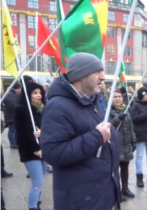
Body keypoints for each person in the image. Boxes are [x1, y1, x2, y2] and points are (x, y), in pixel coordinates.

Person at [40, 53, 121, 210]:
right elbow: (53, 153)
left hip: (101, 194)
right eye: (97, 71)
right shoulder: (58, 107)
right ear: (80, 76)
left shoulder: (94, 102)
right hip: (81, 200)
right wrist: (97, 136)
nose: (103, 77)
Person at [15, 82, 47, 210]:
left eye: (40, 92)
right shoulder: (21, 109)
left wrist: (42, 133)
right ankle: (33, 207)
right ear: (28, 94)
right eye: (35, 93)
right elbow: (22, 133)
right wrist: (36, 149)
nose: (38, 95)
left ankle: (37, 204)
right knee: (37, 182)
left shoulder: (42, 108)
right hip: (30, 151)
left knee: (41, 181)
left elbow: (49, 127)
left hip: (43, 149)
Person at [109, 89, 136, 199]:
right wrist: (117, 119)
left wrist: (133, 141)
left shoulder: (126, 110)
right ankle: (116, 191)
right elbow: (108, 125)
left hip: (126, 144)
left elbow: (131, 127)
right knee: (115, 170)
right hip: (115, 145)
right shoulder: (108, 111)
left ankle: (125, 188)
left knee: (125, 168)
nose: (117, 99)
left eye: (119, 96)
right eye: (115, 97)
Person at [2, 83, 21, 149]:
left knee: (13, 130)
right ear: (17, 88)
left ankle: (14, 143)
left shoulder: (10, 94)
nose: (20, 90)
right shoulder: (10, 95)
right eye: (19, 88)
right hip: (11, 115)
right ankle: (13, 143)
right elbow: (13, 105)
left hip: (11, 115)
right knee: (12, 130)